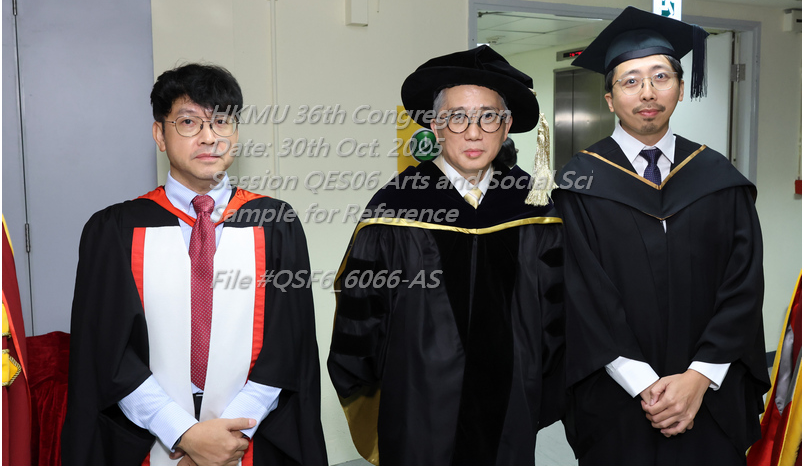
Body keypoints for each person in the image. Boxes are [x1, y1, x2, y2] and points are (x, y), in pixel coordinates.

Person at [62, 63, 327, 466]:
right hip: (148, 438)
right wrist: (183, 434)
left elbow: (290, 345)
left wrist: (229, 438)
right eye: (188, 122)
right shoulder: (115, 230)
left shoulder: (276, 224)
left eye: (222, 121)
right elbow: (105, 351)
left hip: (253, 438)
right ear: (159, 134)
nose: (209, 137)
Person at [551, 6, 770, 465]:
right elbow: (582, 295)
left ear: (681, 89)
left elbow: (744, 286)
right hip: (618, 399)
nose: (647, 92)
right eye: (630, 81)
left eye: (660, 77)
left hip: (710, 396)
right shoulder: (578, 184)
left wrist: (698, 377)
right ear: (610, 98)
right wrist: (644, 385)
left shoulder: (718, 177)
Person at [328, 46, 565, 465]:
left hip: (510, 399)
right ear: (435, 125)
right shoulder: (395, 207)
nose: (473, 133)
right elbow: (360, 319)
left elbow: (556, 315)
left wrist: (534, 380)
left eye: (488, 117)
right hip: (416, 403)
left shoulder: (535, 207)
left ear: (507, 125)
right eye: (457, 117)